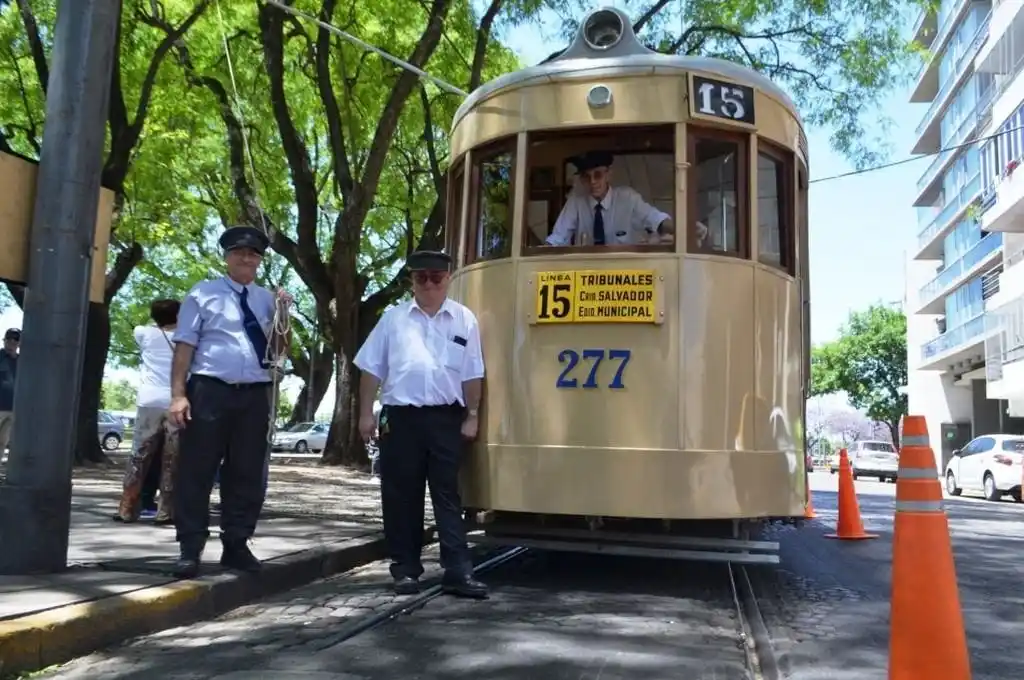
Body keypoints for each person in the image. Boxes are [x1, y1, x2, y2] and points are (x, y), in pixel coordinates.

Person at [354, 250, 488, 599]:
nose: (428, 284)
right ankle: (405, 570)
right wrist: (366, 413)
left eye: (436, 277)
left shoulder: (464, 319)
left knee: (447, 495)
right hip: (400, 419)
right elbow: (370, 369)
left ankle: (458, 571)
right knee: (400, 496)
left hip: (446, 418)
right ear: (411, 281)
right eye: (421, 278)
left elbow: (473, 372)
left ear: (448, 279)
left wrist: (473, 415)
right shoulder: (393, 319)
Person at [168, 225, 292, 578]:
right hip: (209, 390)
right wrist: (178, 395)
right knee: (197, 470)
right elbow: (185, 347)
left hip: (254, 393)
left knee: (247, 473)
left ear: (259, 261)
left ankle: (236, 544)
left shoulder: (267, 299)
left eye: (253, 254)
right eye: (239, 252)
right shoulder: (203, 293)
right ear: (227, 256)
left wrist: (284, 314)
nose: (246, 259)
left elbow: (280, 349)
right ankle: (190, 547)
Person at [112, 299, 181, 525]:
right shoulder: (185, 338)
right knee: (172, 459)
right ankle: (166, 511)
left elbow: (144, 327)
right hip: (176, 400)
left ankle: (127, 508)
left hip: (149, 400)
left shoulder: (144, 333)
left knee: (139, 456)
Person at [544, 150, 676, 246]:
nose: (592, 182)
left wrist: (681, 232)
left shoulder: (628, 198)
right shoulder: (576, 201)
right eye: (586, 177)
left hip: (624, 271)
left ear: (608, 175)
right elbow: (557, 238)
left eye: (598, 175)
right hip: (587, 271)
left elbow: (656, 219)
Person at [0, 328, 19, 454]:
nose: (12, 342)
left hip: (13, 408)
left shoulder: (22, 361)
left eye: (15, 339)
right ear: (4, 341)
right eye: (9, 339)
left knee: (3, 442)